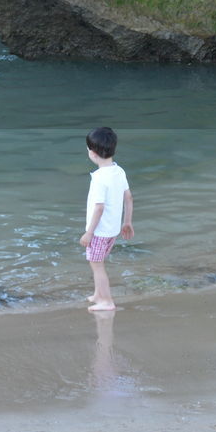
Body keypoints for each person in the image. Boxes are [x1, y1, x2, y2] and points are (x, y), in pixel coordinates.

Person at [80, 126, 133, 311]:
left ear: (93, 153)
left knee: (97, 265)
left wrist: (89, 233)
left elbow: (99, 208)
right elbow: (128, 198)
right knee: (98, 262)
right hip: (113, 230)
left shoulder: (99, 178)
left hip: (99, 232)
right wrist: (127, 222)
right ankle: (98, 294)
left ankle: (106, 301)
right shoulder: (119, 171)